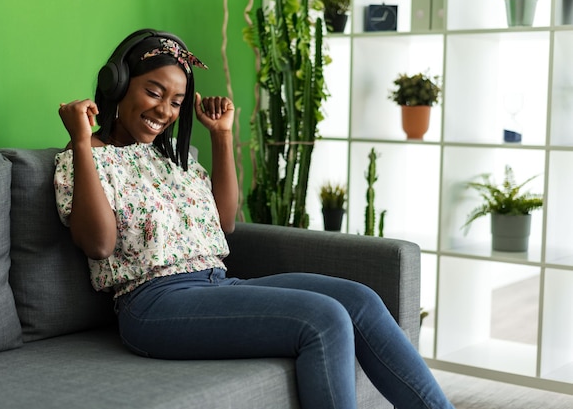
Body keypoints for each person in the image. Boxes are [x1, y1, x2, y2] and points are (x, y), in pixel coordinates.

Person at [54, 28, 454, 409]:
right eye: (154, 92)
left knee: (360, 300)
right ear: (118, 85)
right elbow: (99, 244)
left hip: (215, 283)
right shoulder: (83, 160)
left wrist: (221, 136)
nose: (164, 110)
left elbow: (224, 223)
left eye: (176, 102)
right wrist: (82, 142)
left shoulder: (170, 159)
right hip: (153, 305)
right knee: (325, 319)